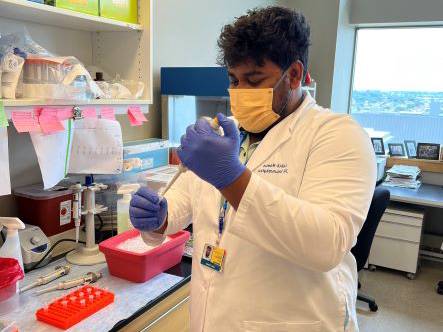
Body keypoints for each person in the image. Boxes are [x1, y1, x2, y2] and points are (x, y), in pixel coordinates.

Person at [130, 6, 376, 331]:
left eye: (254, 80)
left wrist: (231, 176)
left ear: (294, 74)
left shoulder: (339, 135)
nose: (240, 93)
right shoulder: (222, 133)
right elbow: (182, 205)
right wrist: (158, 218)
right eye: (234, 80)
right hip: (215, 317)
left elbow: (326, 244)